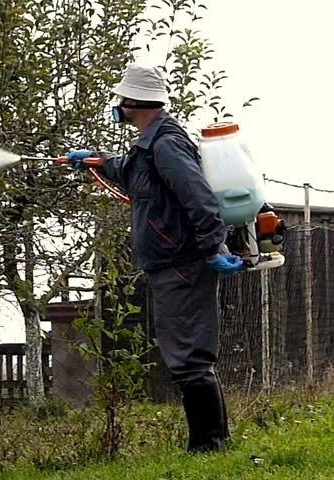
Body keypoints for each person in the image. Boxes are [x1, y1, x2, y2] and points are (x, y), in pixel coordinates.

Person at [66, 64, 243, 452]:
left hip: (182, 263)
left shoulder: (165, 143)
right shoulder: (149, 144)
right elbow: (132, 173)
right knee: (186, 353)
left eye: (120, 99)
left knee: (189, 355)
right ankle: (212, 443)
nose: (118, 105)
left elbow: (198, 197)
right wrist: (97, 160)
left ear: (133, 102)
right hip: (171, 264)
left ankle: (209, 445)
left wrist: (213, 246)